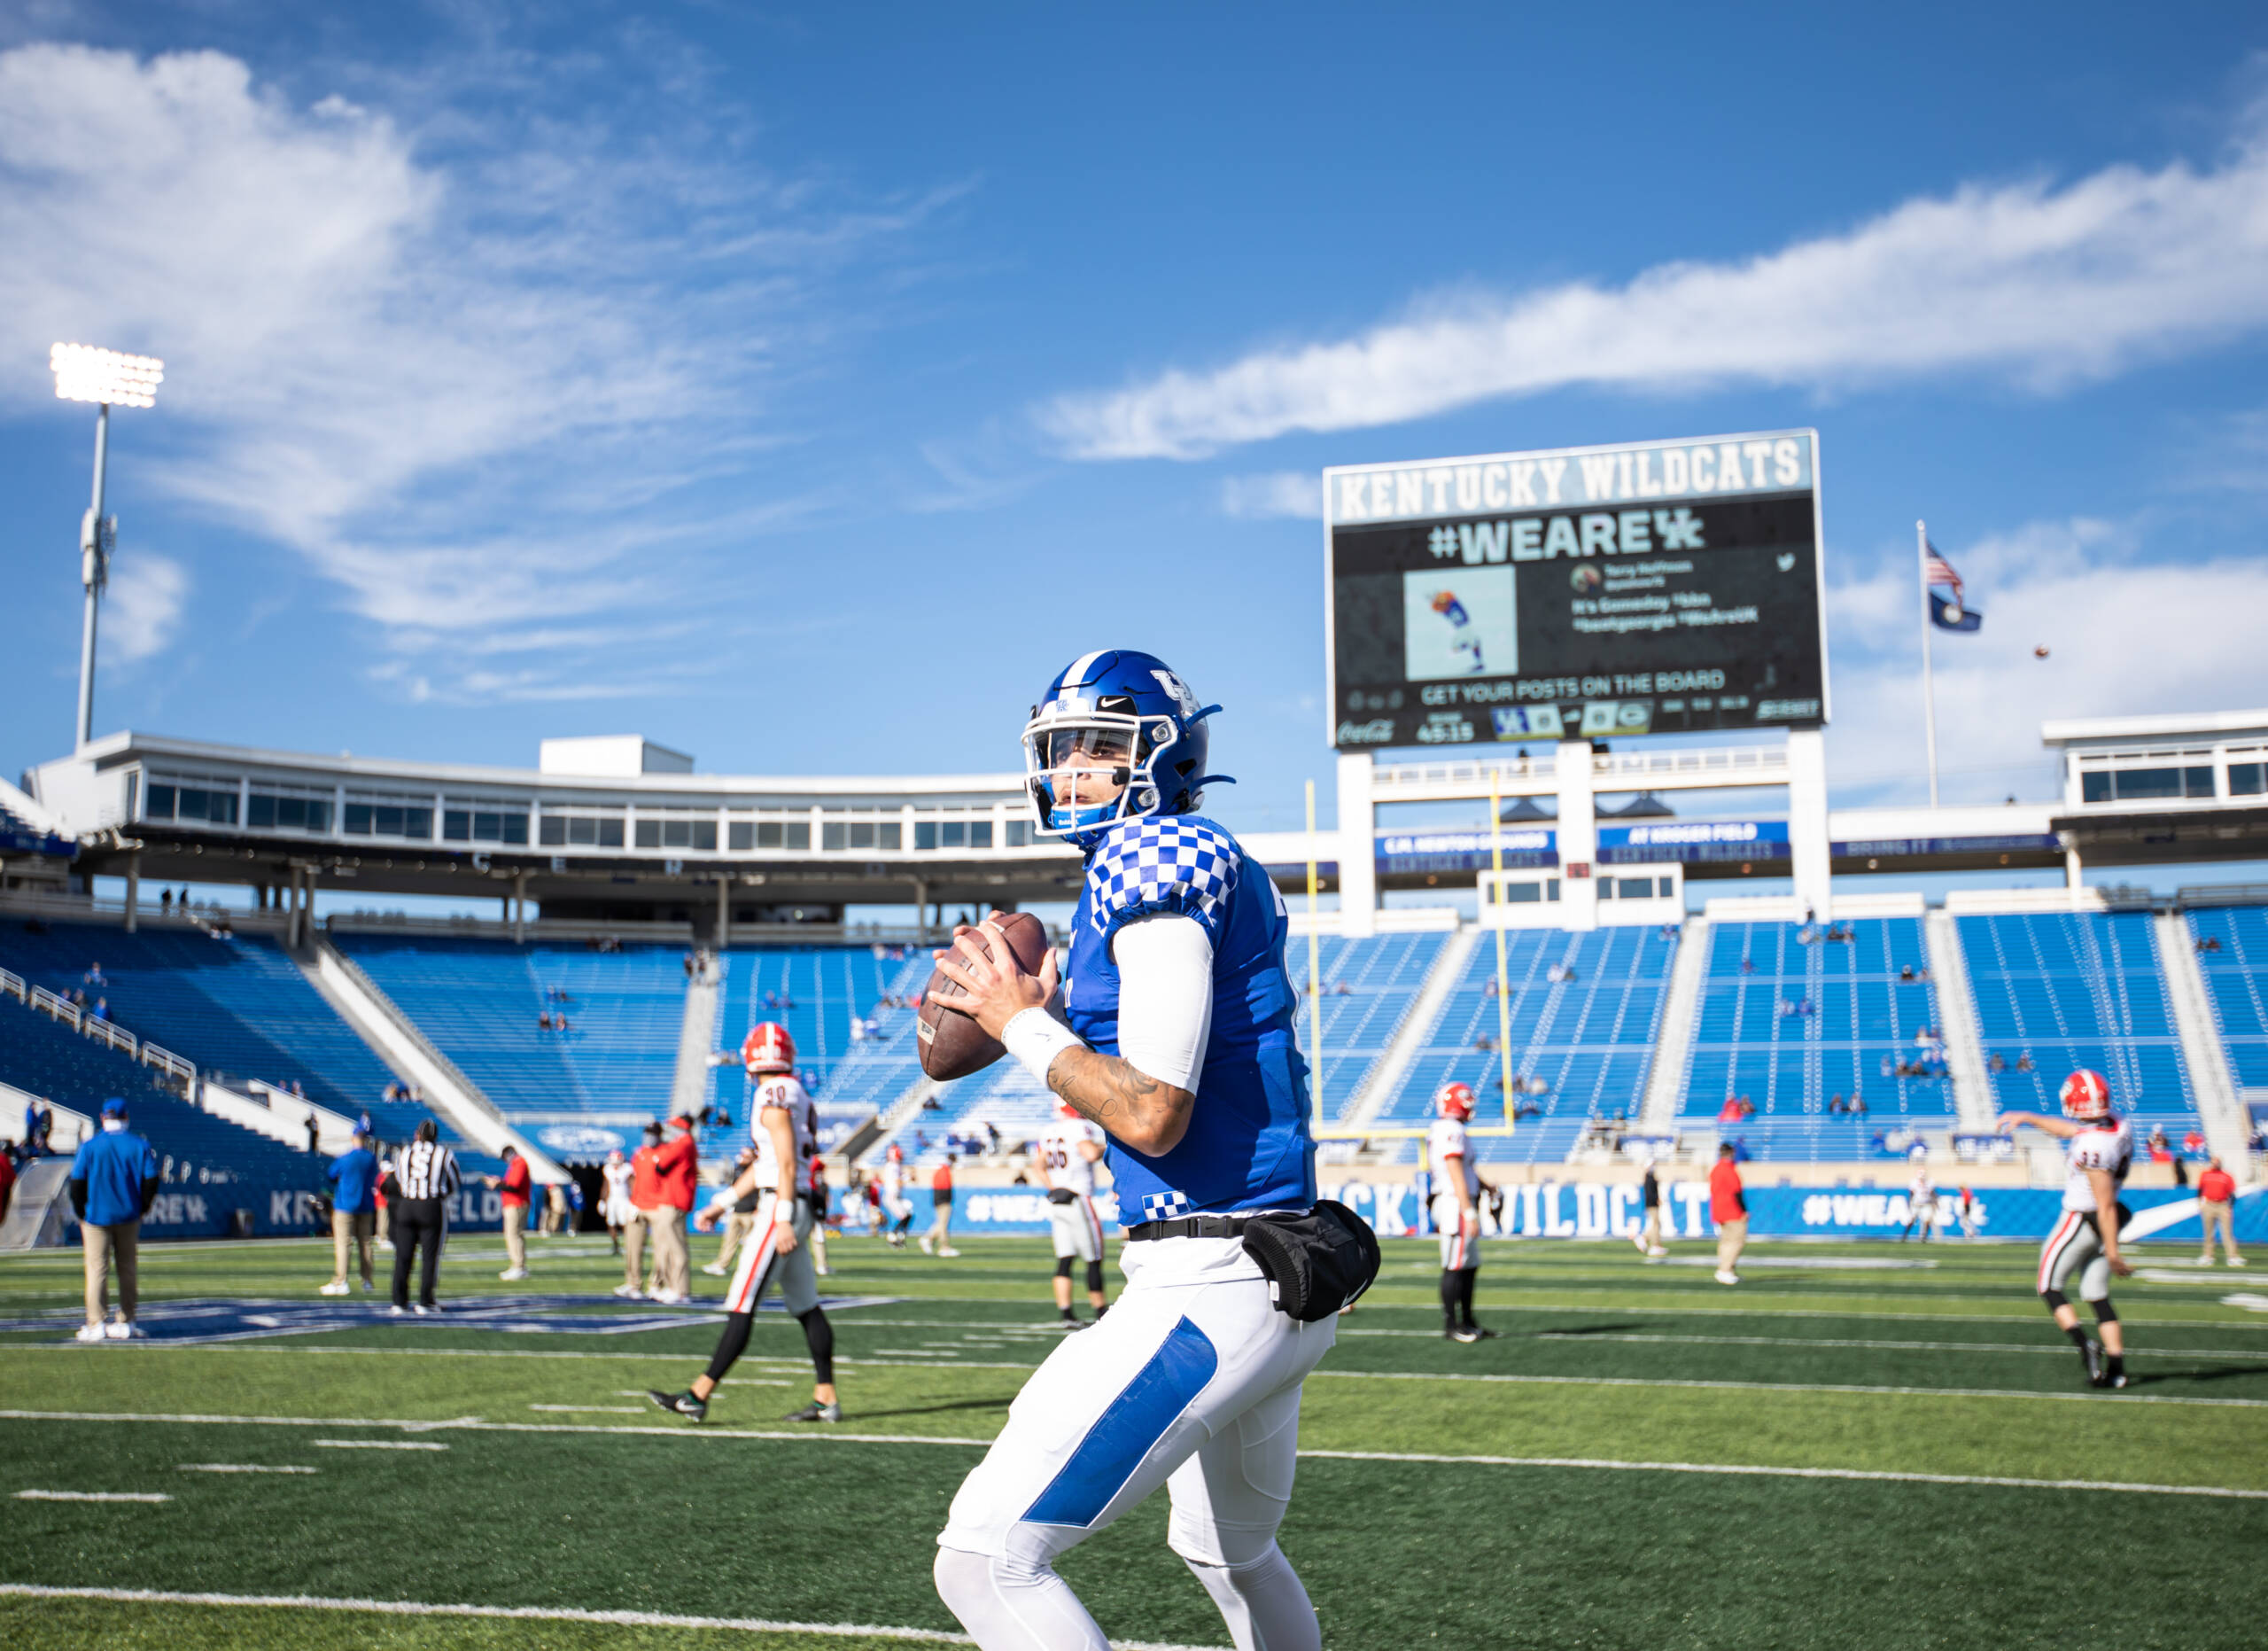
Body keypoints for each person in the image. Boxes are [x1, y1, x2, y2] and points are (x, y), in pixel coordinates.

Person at [924, 649, 1363, 1651]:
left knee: (986, 1561)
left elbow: (1155, 1113)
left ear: (1163, 755)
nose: (1074, 766)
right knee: (1230, 1555)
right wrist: (1040, 1017)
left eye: (1100, 744)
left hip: (1212, 1274)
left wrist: (1019, 1024)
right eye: (1061, 747)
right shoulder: (1177, 867)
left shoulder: (1153, 859)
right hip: (1272, 1270)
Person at [649, 1020, 840, 1425]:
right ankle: (827, 1398)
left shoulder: (772, 1094)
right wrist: (722, 1203)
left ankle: (698, 1395)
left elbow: (784, 1162)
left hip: (782, 1207)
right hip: (794, 1201)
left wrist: (784, 1218)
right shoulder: (795, 1092)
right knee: (807, 1306)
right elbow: (771, 1164)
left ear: (753, 1060)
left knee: (741, 1301)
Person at [1999, 1070, 2134, 1390]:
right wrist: (2029, 1117)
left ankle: (2084, 1344)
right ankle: (2117, 1370)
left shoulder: (2094, 1146)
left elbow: (2103, 1206)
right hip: (2105, 1217)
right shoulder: (2116, 1123)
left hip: (2084, 1219)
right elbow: (2072, 1131)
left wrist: (2114, 1252)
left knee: (2048, 1286)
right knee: (2096, 1295)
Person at [68, 1098, 159, 1342]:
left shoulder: (90, 1146)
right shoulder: (138, 1145)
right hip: (129, 1215)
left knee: (97, 1269)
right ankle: (127, 1320)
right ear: (126, 1117)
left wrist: (81, 1212)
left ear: (102, 1118)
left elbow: (77, 1183)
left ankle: (96, 1322)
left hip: (96, 1216)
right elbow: (151, 1180)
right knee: (127, 1269)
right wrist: (142, 1208)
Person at [1428, 1082, 1494, 1343]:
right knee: (1455, 1266)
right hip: (1454, 1202)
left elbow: (1465, 1169)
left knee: (1469, 1265)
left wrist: (1487, 1186)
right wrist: (1468, 1210)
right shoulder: (1450, 1129)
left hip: (1460, 1199)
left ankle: (1468, 1321)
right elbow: (1454, 1168)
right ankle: (1452, 1325)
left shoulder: (1452, 1129)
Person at [1036, 1099, 1109, 1328]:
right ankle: (1102, 1313)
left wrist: (1053, 1188)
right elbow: (1089, 1154)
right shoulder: (1077, 1128)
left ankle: (1066, 1314)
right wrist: (1107, 1147)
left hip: (1058, 1200)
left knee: (1065, 1260)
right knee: (1093, 1258)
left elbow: (1038, 1165)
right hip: (1078, 1198)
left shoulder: (1048, 1131)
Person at [384, 1119, 460, 1316]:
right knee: (429, 1257)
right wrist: (438, 1193)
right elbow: (454, 1182)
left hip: (407, 1205)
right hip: (430, 1205)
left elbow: (400, 1179)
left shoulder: (405, 1152)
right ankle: (425, 1301)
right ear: (435, 1136)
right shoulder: (443, 1153)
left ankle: (399, 1302)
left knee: (402, 1256)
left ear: (418, 1133)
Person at [322, 1125, 380, 1295]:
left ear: (353, 1138)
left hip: (345, 1205)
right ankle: (367, 1281)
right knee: (366, 1243)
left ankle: (342, 1281)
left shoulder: (346, 1158)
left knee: (343, 1244)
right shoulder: (370, 1158)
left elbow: (331, 1174)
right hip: (366, 1205)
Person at [649, 1114, 700, 1302]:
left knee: (675, 1247)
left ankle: (679, 1290)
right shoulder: (686, 1142)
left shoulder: (682, 1143)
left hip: (674, 1199)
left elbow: (660, 1166)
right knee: (670, 1245)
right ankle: (674, 1287)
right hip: (675, 1198)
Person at [616, 1123, 664, 1298]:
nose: (649, 1137)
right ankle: (633, 1283)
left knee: (661, 1248)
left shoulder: (665, 1153)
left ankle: (656, 1284)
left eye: (652, 1133)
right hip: (638, 1205)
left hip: (659, 1206)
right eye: (647, 1133)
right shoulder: (640, 1153)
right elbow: (635, 1178)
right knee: (633, 1248)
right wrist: (632, 1201)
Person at [703, 1148, 761, 1276]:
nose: (742, 1157)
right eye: (742, 1154)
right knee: (729, 1240)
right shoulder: (738, 1169)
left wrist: (758, 1208)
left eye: (746, 1155)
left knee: (751, 1243)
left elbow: (760, 1192)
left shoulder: (757, 1170)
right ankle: (721, 1265)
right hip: (736, 1210)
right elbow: (734, 1189)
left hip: (750, 1212)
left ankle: (751, 1269)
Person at [481, 1145, 535, 1281]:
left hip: (516, 1204)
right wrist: (499, 1182)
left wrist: (497, 1184)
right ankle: (518, 1266)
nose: (505, 1160)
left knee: (513, 1235)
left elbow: (513, 1187)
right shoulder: (517, 1164)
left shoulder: (519, 1163)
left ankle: (518, 1267)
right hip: (514, 1204)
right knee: (515, 1235)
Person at [1710, 1141, 1747, 1285]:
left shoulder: (1716, 1169)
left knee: (1726, 1241)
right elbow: (1736, 1191)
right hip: (1732, 1210)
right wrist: (1743, 1210)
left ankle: (1725, 1269)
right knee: (1737, 1241)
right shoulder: (1729, 1169)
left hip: (1718, 1209)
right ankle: (1725, 1270)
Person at [2196, 1156, 2243, 1266]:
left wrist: (2229, 1207)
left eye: (2217, 1162)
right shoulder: (2205, 1175)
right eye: (2213, 1162)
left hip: (2222, 1205)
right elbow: (2200, 1190)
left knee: (2227, 1233)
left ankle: (2232, 1257)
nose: (2215, 1164)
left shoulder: (2226, 1176)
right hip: (2209, 1204)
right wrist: (2200, 1204)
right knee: (2208, 1233)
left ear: (2220, 1164)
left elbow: (2232, 1194)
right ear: (2210, 1163)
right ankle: (2208, 1256)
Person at [922, 1154, 959, 1258]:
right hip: (943, 1200)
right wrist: (948, 1199)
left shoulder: (940, 1169)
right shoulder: (945, 1171)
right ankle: (944, 1247)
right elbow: (945, 1186)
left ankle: (927, 1239)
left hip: (938, 1199)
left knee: (940, 1223)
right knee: (943, 1224)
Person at [1634, 1155, 1669, 1259]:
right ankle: (1654, 1244)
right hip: (1652, 1204)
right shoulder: (1649, 1176)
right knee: (1655, 1224)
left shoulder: (1650, 1176)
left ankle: (1645, 1239)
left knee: (1656, 1224)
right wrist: (1656, 1199)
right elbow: (1650, 1193)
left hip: (1652, 1203)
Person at [880, 1143, 914, 1246]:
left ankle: (900, 1236)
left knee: (909, 1214)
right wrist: (908, 1177)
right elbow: (898, 1182)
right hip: (892, 1197)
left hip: (897, 1197)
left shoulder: (894, 1166)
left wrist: (908, 1176)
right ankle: (893, 1235)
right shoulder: (893, 1166)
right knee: (904, 1216)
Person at [1900, 1171, 1938, 1242]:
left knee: (1927, 1221)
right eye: (1921, 1178)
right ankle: (1905, 1236)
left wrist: (1935, 1202)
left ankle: (1924, 1237)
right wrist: (1910, 1203)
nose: (1922, 1180)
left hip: (1926, 1204)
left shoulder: (1930, 1183)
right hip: (1916, 1204)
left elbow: (1932, 1193)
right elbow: (1911, 1193)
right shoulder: (1914, 1182)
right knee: (1911, 1221)